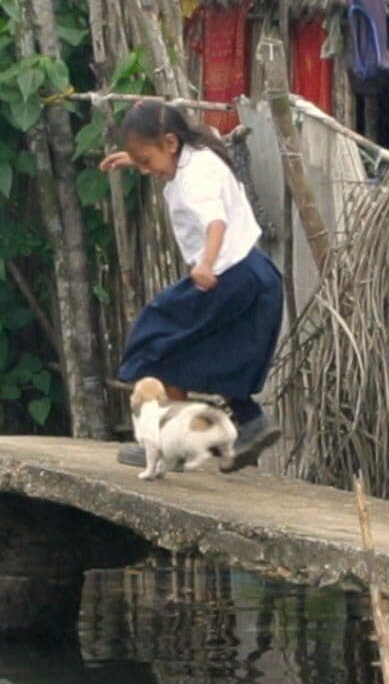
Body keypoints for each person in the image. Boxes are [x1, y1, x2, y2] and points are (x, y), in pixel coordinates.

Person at [102, 99, 283, 466]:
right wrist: (133, 159)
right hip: (255, 273)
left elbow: (215, 222)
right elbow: (168, 160)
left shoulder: (193, 181)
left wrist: (205, 264)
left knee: (154, 340)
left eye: (146, 161)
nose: (146, 170)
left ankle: (171, 445)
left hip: (226, 275)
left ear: (170, 143)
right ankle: (250, 422)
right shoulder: (200, 151)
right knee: (205, 350)